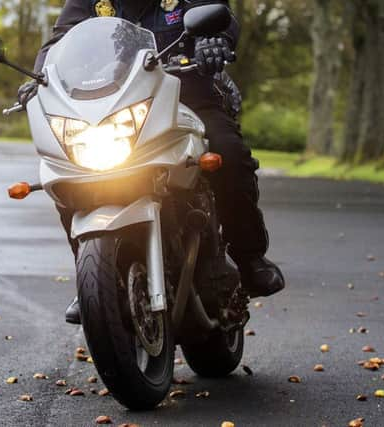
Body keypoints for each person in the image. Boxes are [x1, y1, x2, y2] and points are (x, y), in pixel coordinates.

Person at [18, 0, 285, 324]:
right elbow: (60, 39)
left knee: (228, 152)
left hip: (188, 95)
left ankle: (250, 258)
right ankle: (95, 277)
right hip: (116, 104)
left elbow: (216, 13)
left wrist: (214, 41)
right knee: (68, 170)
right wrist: (40, 75)